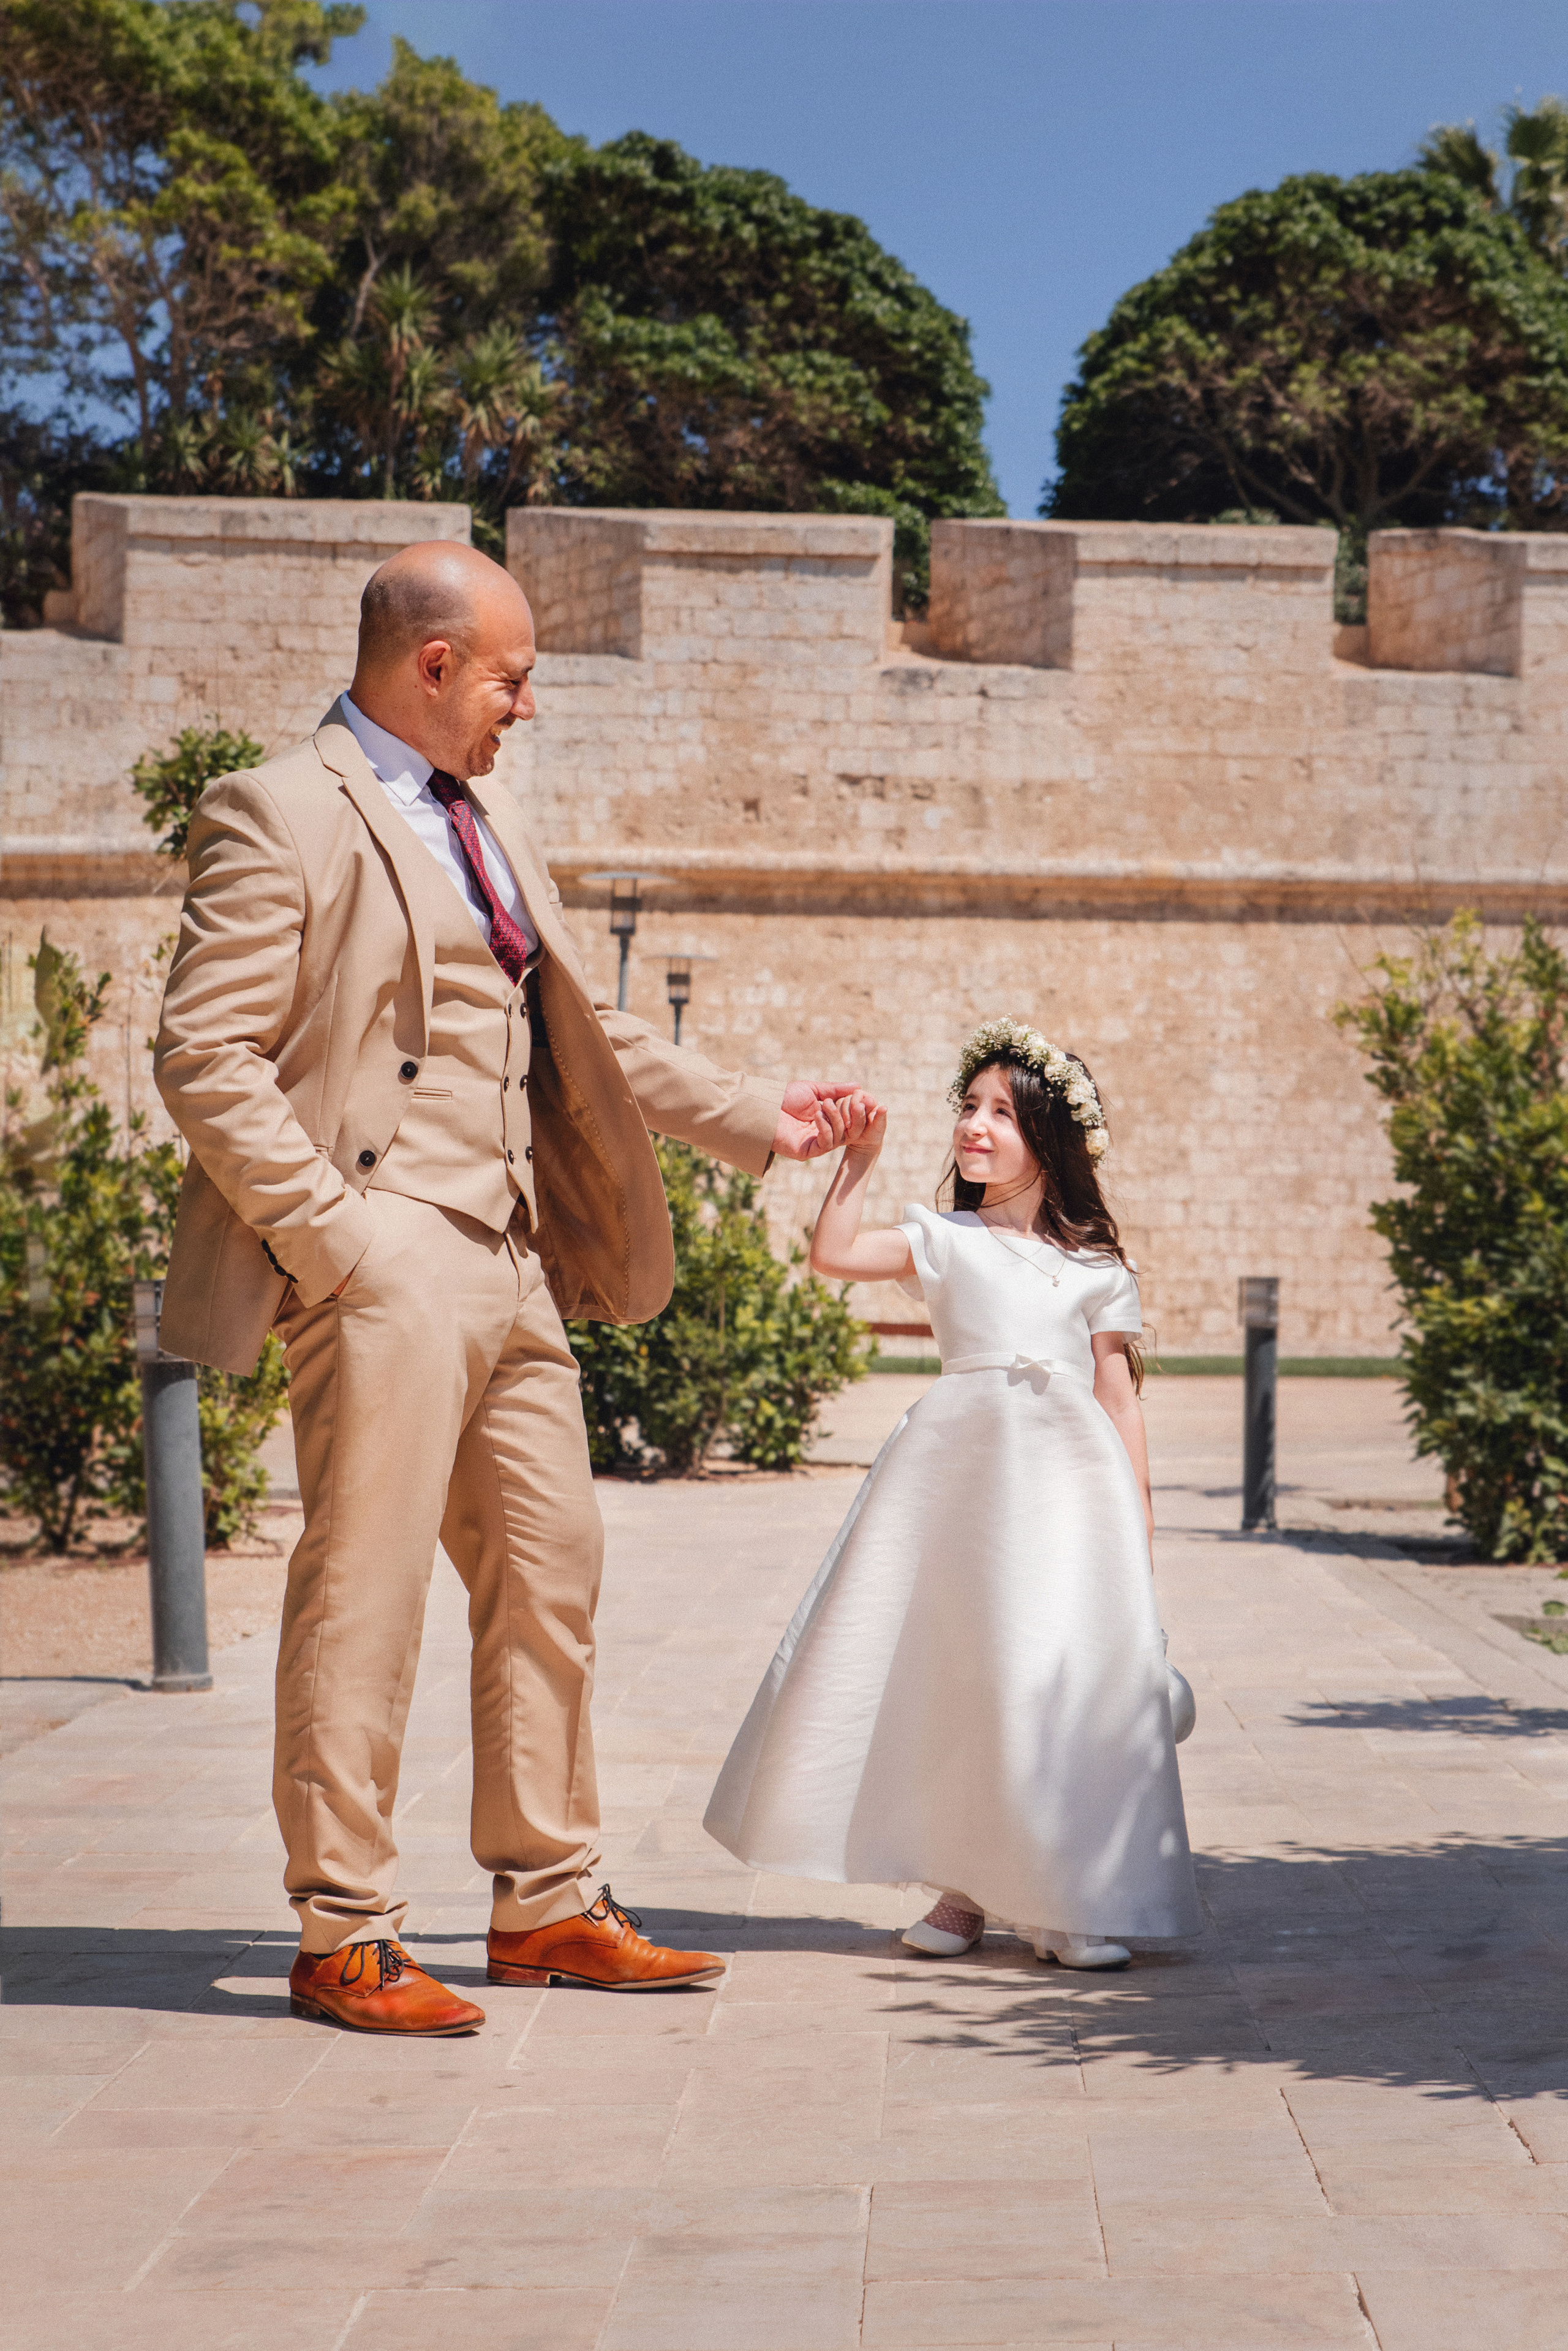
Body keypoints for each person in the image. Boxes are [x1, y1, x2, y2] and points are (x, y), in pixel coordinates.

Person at [153, 538, 867, 2035]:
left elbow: (571, 1018)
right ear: (431, 666)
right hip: (383, 1245)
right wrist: (334, 1238)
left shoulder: (478, 816)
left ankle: (545, 1898)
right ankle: (343, 1925)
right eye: (511, 676)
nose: (522, 706)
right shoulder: (279, 811)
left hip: (510, 1250)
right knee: (365, 1580)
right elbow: (204, 1054)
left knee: (553, 1565)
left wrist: (752, 1115)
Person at [704, 1016, 1200, 1969]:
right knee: (966, 1669)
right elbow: (834, 1257)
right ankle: (966, 1892)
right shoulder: (945, 1237)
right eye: (968, 1108)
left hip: (1065, 1494)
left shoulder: (1095, 1266)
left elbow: (1118, 1402)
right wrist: (858, 1162)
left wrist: (1134, 1532)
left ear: (1049, 1138)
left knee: (1048, 1672)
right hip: (959, 1489)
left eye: (1001, 1113)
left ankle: (1061, 1894)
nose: (974, 1125)